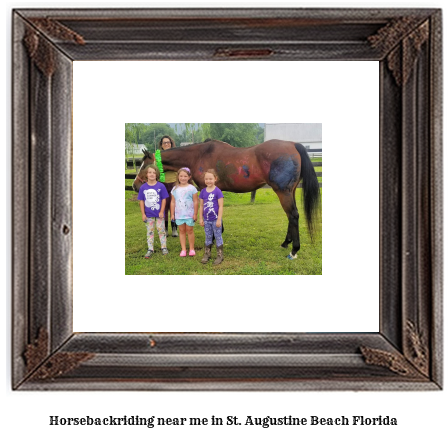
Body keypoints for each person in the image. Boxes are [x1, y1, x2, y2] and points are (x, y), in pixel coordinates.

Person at [137, 164, 169, 259]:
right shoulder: (143, 188)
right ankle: (150, 249)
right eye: (150, 172)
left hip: (159, 214)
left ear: (157, 174)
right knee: (149, 232)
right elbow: (141, 201)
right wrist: (143, 214)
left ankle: (164, 247)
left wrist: (162, 211)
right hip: (148, 215)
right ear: (146, 174)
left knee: (161, 231)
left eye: (154, 173)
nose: (152, 174)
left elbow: (164, 199)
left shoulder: (161, 186)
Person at [170, 167, 198, 257]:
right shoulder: (175, 189)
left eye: (185, 176)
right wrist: (172, 214)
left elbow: (195, 201)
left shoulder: (192, 188)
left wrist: (195, 213)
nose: (183, 178)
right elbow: (173, 202)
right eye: (181, 176)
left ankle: (192, 249)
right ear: (178, 177)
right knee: (182, 231)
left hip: (189, 214)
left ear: (189, 177)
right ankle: (183, 249)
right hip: (179, 215)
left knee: (190, 231)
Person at [198, 169, 224, 265]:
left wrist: (219, 219)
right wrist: (201, 218)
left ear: (215, 179)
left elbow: (221, 206)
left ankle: (220, 255)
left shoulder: (218, 191)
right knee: (208, 236)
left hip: (215, 219)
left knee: (218, 236)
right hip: (206, 219)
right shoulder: (203, 192)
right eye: (206, 179)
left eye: (210, 179)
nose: (208, 181)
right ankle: (207, 254)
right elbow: (201, 206)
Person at [157, 135, 178, 237]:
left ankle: (174, 228)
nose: (166, 144)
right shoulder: (157, 156)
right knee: (164, 207)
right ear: (161, 145)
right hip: (162, 184)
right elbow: (156, 169)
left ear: (171, 143)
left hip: (174, 183)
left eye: (168, 142)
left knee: (174, 206)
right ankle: (165, 229)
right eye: (164, 142)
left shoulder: (176, 154)